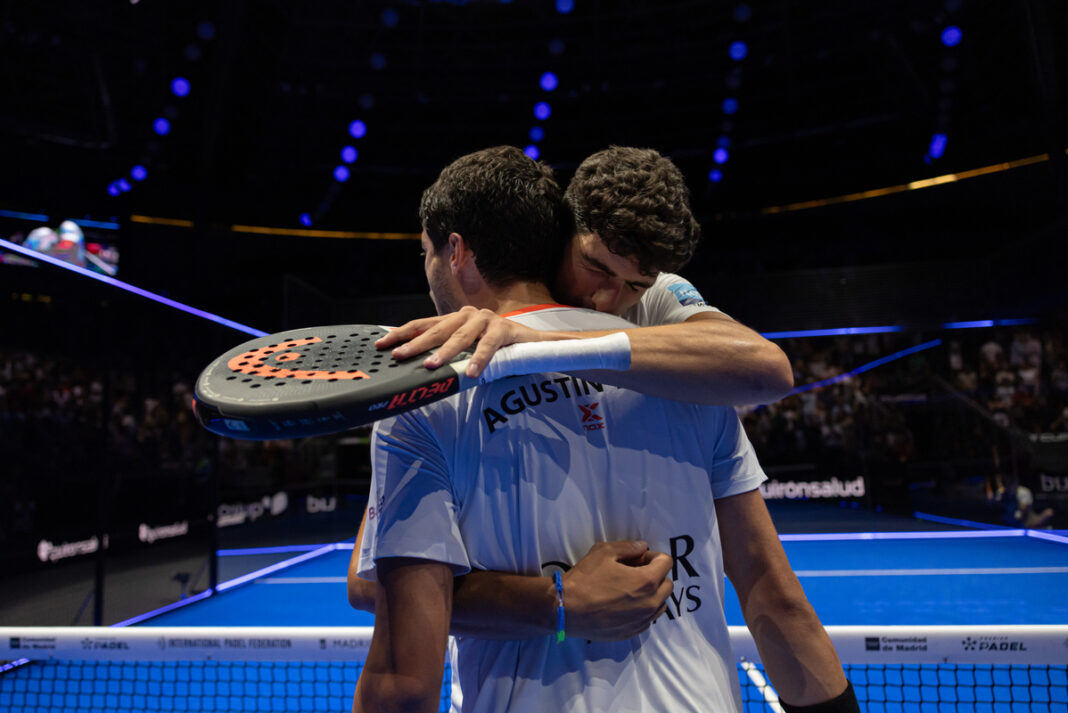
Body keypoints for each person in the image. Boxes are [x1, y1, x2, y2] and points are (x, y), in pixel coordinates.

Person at [352, 146, 855, 713]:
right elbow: (774, 594)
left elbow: (402, 671)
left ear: (455, 251)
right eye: (595, 267)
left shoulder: (429, 391)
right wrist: (558, 602)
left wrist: (538, 348)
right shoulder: (690, 380)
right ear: (561, 235)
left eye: (634, 285)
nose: (607, 298)